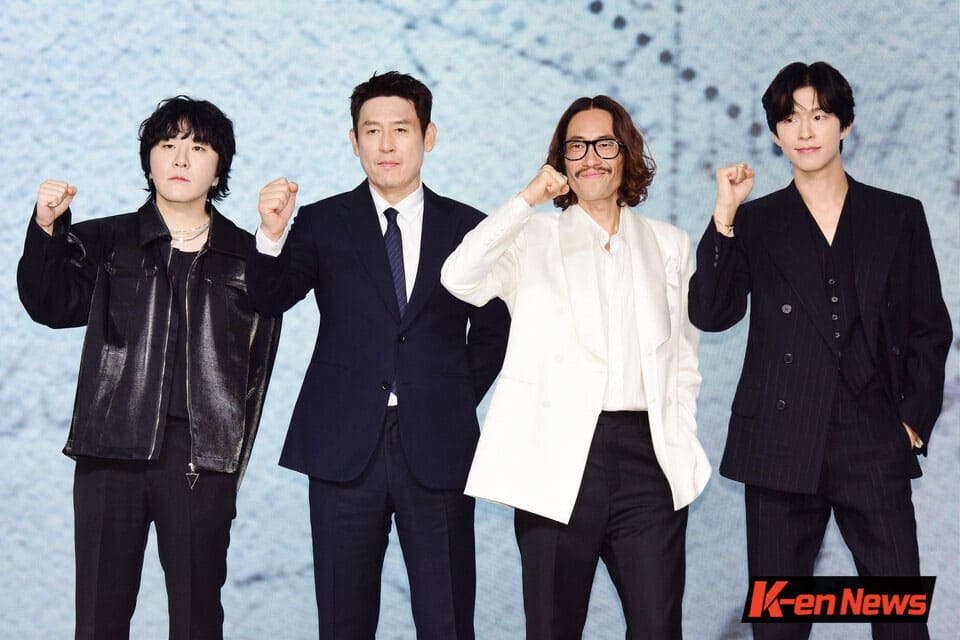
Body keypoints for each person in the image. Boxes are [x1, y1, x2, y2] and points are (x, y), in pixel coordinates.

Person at [687, 61, 951, 640]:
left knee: (900, 617)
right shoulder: (755, 221)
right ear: (775, 132)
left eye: (820, 115)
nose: (805, 131)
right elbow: (710, 312)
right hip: (779, 440)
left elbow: (930, 327)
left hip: (872, 436)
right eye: (790, 119)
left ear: (845, 125)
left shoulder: (898, 215)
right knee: (780, 623)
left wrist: (911, 423)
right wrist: (724, 215)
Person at [245, 71, 510, 640]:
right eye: (372, 131)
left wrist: (447, 396)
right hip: (342, 446)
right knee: (344, 622)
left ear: (428, 136)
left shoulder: (469, 228)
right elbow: (269, 298)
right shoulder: (320, 222)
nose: (386, 145)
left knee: (447, 621)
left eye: (401, 129)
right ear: (354, 140)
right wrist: (269, 235)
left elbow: (494, 332)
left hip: (436, 446)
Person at [441, 95, 710, 639]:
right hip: (556, 458)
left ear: (626, 152)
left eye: (604, 144)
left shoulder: (669, 244)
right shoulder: (532, 236)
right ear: (561, 160)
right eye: (576, 146)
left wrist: (678, 436)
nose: (591, 157)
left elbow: (684, 360)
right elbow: (459, 277)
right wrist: (527, 200)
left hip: (647, 460)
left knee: (659, 628)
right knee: (552, 627)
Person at [17, 96, 281, 640]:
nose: (180, 158)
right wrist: (46, 229)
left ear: (218, 170)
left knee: (197, 619)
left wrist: (229, 462)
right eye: (167, 145)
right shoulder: (106, 241)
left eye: (198, 148)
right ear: (149, 161)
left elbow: (259, 358)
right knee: (99, 619)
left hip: (200, 458)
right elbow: (50, 304)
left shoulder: (245, 254)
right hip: (109, 450)